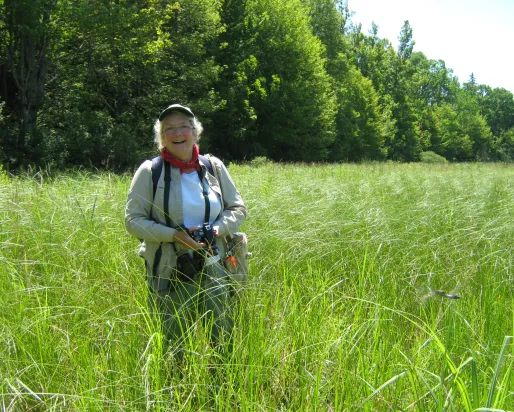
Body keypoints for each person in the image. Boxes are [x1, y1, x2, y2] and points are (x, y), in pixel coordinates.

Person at [125, 103, 247, 349]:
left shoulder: (213, 167)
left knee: (223, 336)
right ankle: (175, 385)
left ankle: (221, 383)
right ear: (162, 136)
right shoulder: (150, 172)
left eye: (184, 127)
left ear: (195, 132)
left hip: (216, 263)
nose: (178, 133)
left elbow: (238, 208)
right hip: (171, 268)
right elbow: (133, 221)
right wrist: (174, 236)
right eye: (169, 128)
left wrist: (217, 230)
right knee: (173, 342)